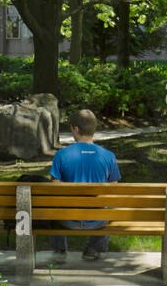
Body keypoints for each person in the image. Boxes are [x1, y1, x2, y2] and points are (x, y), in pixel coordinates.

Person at [47, 108, 120, 263]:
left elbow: (54, 189)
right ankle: (94, 248)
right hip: (97, 220)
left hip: (67, 220)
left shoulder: (61, 155)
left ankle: (59, 251)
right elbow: (114, 190)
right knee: (110, 207)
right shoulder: (108, 156)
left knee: (51, 205)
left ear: (76, 129)